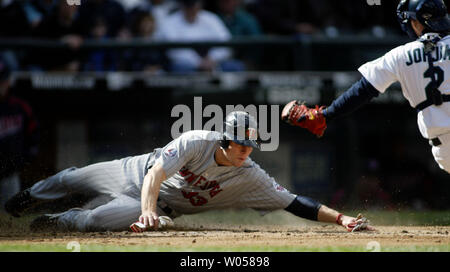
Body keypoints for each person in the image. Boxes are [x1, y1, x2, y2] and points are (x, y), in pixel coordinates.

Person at [5, 111, 372, 233]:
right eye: (240, 145)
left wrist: (341, 220)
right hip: (135, 172)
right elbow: (155, 176)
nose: (246, 152)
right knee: (71, 177)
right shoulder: (197, 140)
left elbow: (294, 203)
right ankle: (30, 197)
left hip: (161, 208)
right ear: (224, 140)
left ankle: (55, 221)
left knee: (91, 221)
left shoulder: (249, 175)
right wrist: (146, 209)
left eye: (250, 147)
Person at [281, 0, 450, 174]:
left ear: (415, 23)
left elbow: (363, 90)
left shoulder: (399, 55)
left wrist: (326, 115)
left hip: (443, 150)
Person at [158, 0, 244, 72]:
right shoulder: (169, 22)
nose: (191, 9)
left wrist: (212, 58)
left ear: (199, 5)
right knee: (181, 67)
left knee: (235, 66)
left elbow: (226, 43)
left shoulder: (211, 18)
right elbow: (174, 51)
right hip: (187, 65)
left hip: (213, 62)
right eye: (188, 6)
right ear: (182, 6)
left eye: (194, 5)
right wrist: (198, 62)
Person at [0, 57, 39, 211]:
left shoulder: (20, 107)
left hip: (10, 174)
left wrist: (24, 159)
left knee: (10, 213)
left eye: (2, 81)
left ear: (8, 81)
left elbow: (33, 135)